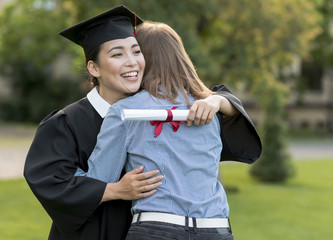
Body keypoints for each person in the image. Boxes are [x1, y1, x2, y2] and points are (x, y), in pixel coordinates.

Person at [23, 5, 261, 240]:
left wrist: (219, 101)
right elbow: (52, 184)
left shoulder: (170, 110)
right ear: (94, 68)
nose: (132, 62)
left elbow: (215, 108)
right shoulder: (65, 123)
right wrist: (114, 190)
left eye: (137, 52)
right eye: (117, 54)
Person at [76, 20, 251, 240]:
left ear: (143, 60)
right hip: (215, 229)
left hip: (157, 229)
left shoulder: (126, 111)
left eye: (136, 52)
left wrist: (65, 178)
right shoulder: (210, 107)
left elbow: (100, 178)